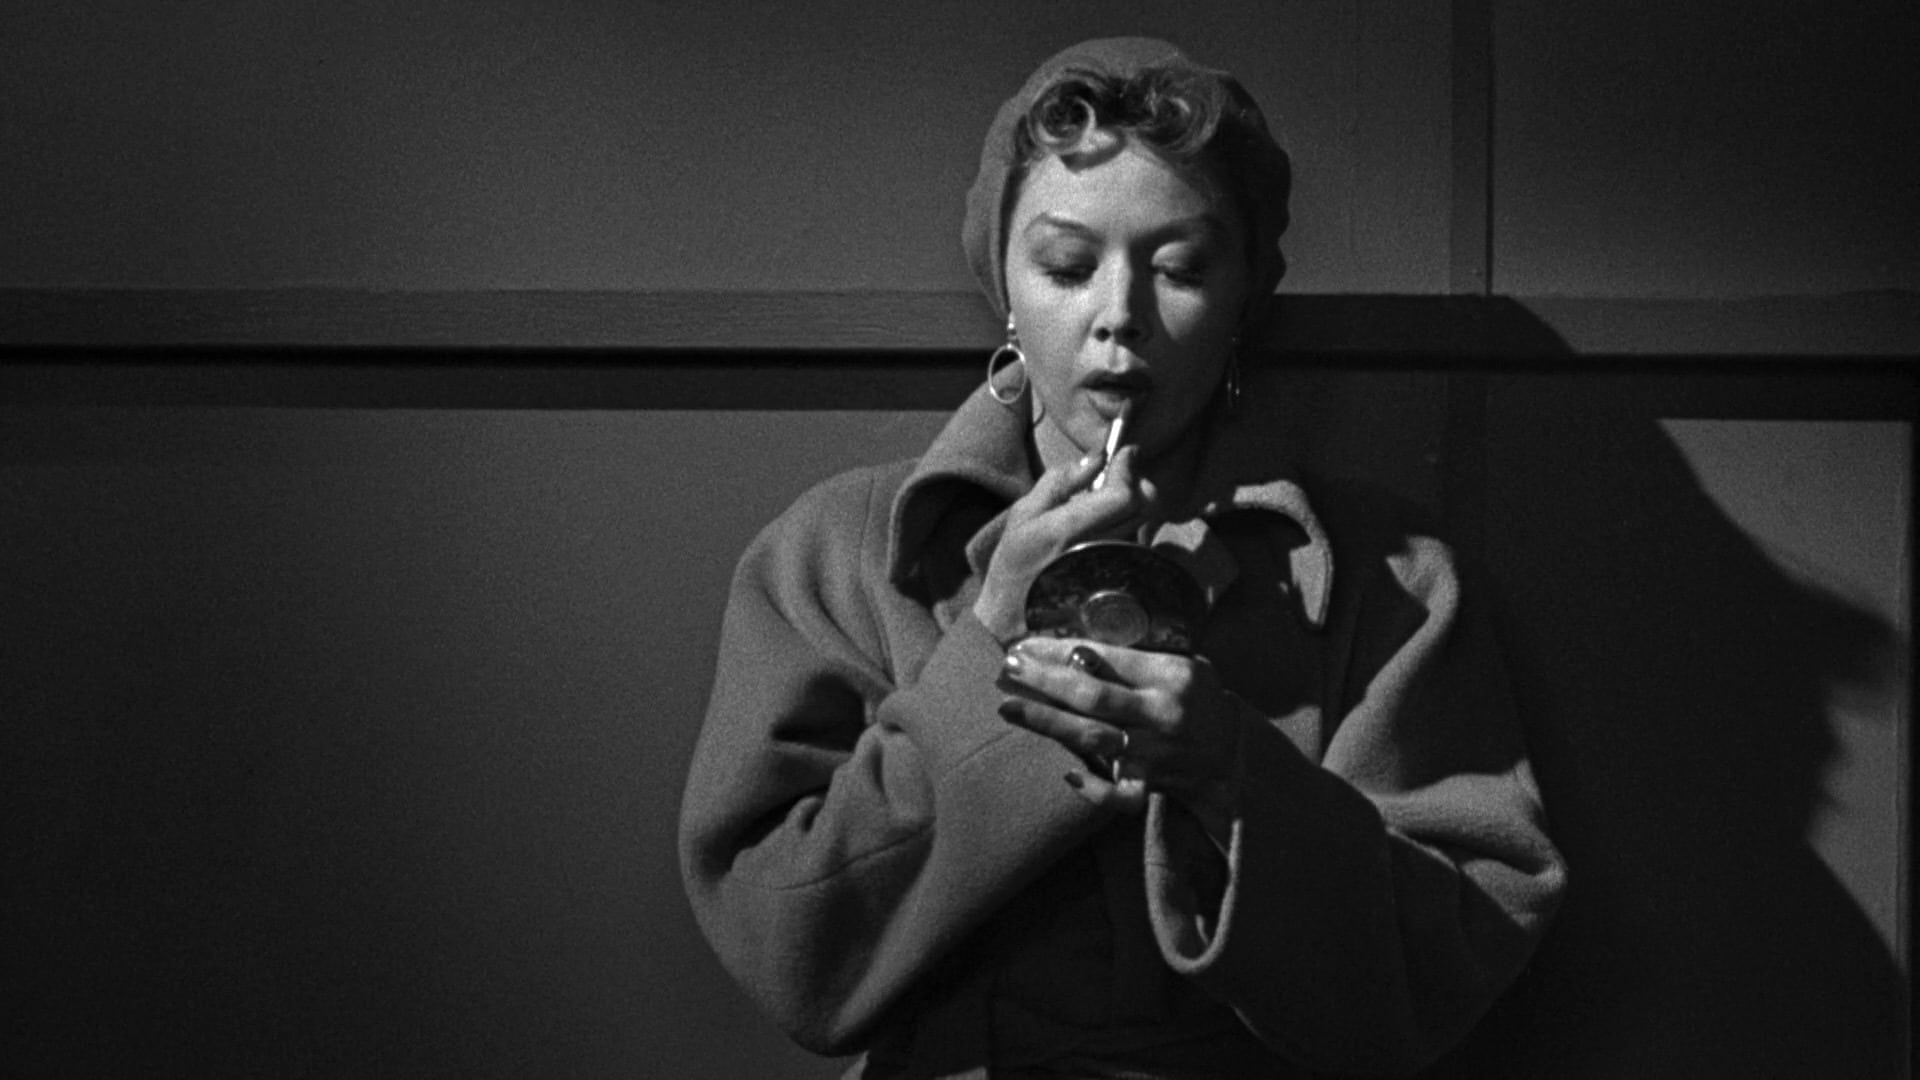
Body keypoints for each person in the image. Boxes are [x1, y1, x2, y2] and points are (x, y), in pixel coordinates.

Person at [679, 37, 1565, 1079]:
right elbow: (791, 953)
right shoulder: (840, 553)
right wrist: (987, 651)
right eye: (1065, 266)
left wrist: (1231, 773)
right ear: (1004, 286)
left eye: (1181, 268)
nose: (1118, 319)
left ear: (1244, 298)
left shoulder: (1392, 580)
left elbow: (1455, 953)